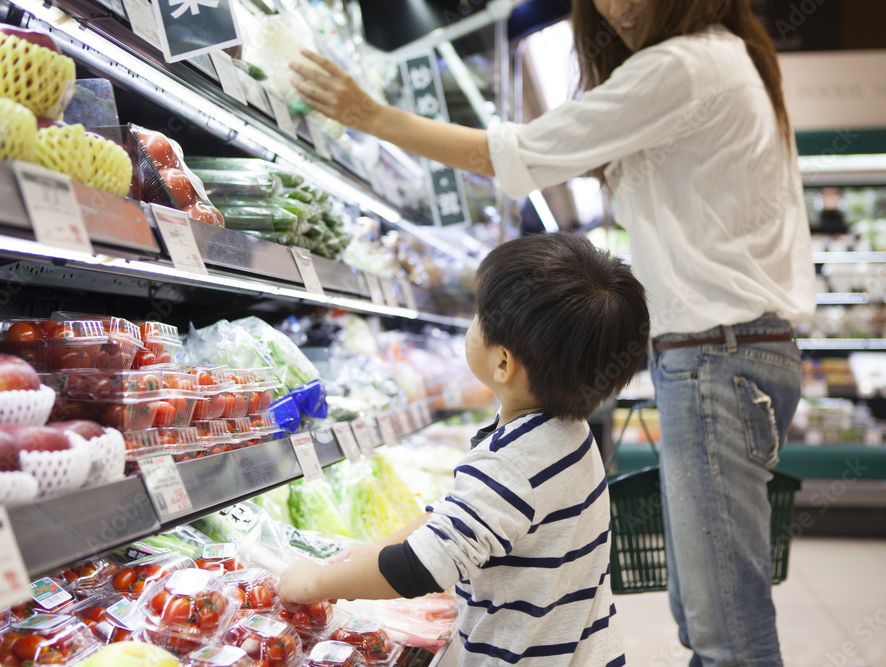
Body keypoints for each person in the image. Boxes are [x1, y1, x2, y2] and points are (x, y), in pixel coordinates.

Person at [286, 1, 815, 665]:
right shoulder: (563, 444)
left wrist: (372, 117)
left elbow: (518, 153)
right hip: (728, 355)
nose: (615, 7)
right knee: (711, 614)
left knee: (724, 632)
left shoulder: (685, 65)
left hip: (718, 356)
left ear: (508, 361)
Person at [279, 232, 648, 667]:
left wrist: (318, 583)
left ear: (503, 364)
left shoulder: (511, 465)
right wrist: (362, 554)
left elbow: (421, 566)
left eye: (479, 317)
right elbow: (451, 517)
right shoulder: (568, 432)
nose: (472, 323)